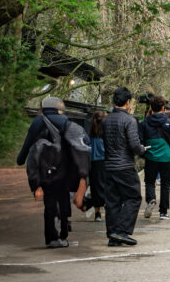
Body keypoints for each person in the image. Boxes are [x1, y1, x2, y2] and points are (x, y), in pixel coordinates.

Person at [18, 97, 89, 248]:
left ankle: (51, 238)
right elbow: (84, 141)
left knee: (49, 203)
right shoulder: (66, 121)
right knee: (63, 200)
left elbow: (28, 145)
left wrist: (20, 159)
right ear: (58, 108)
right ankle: (63, 233)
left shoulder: (37, 122)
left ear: (44, 108)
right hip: (63, 170)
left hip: (45, 171)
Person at [101, 86, 145, 247]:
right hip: (124, 165)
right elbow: (134, 145)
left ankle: (113, 235)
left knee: (112, 201)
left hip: (109, 165)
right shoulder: (129, 120)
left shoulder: (106, 120)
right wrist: (142, 150)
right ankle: (121, 230)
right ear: (128, 102)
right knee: (134, 197)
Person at [139, 95, 170, 219]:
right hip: (167, 158)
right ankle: (163, 212)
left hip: (151, 157)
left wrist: (143, 154)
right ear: (163, 108)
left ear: (151, 107)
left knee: (149, 182)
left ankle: (151, 199)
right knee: (165, 184)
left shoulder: (144, 123)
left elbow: (140, 141)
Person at [88, 109, 107, 221]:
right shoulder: (106, 134)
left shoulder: (90, 134)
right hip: (105, 162)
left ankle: (97, 214)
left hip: (93, 163)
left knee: (95, 188)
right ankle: (108, 209)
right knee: (107, 187)